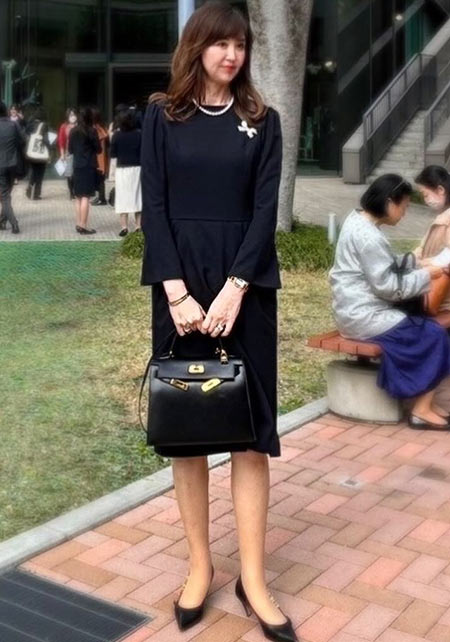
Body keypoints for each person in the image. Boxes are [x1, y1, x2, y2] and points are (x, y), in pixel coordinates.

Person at [140, 3, 297, 641]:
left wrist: (236, 288)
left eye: (240, 44)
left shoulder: (263, 120)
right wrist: (177, 293)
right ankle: (200, 566)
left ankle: (252, 578)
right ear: (197, 47)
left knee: (250, 434)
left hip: (246, 288)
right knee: (188, 428)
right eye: (220, 43)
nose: (231, 55)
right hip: (179, 285)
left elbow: (264, 212)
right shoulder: (162, 116)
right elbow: (154, 207)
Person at [329, 174, 450, 429]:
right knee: (435, 335)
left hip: (352, 311)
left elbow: (381, 264)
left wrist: (415, 262)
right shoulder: (369, 237)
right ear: (389, 202)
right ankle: (421, 410)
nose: (404, 214)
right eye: (404, 207)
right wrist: (428, 274)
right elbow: (390, 288)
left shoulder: (357, 220)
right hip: (364, 316)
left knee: (422, 326)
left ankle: (425, 402)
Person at [414, 165, 450, 312]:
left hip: (442, 298)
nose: (425, 200)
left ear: (440, 190)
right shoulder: (443, 215)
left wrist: (428, 263)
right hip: (436, 293)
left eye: (426, 194)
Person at [68, 106, 101, 234]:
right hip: (88, 166)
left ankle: (78, 223)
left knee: (78, 197)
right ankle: (83, 225)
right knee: (86, 196)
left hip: (77, 165)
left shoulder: (73, 131)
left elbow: (70, 150)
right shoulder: (92, 131)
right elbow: (99, 149)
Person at [110, 109, 142, 236]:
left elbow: (113, 154)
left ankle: (124, 227)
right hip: (137, 169)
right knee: (137, 196)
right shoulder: (139, 134)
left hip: (122, 169)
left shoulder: (117, 135)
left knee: (122, 197)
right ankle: (138, 225)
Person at [0, 101, 26, 233]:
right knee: (7, 194)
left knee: (5, 196)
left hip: (1, 165)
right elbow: (23, 140)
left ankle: (14, 223)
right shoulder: (13, 124)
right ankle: (2, 221)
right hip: (13, 163)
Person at [25, 106, 50, 200]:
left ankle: (29, 189)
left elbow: (26, 134)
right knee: (40, 173)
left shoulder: (31, 124)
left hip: (32, 153)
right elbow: (46, 140)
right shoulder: (44, 125)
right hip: (41, 154)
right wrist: (49, 149)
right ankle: (36, 194)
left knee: (33, 171)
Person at [57, 107, 77, 199]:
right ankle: (71, 192)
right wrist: (62, 154)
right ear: (67, 116)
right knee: (69, 173)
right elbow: (61, 141)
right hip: (69, 152)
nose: (73, 117)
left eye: (74, 114)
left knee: (77, 173)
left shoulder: (79, 125)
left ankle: (77, 191)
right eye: (71, 115)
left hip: (79, 152)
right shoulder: (64, 126)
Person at [91, 106, 109, 206]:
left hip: (99, 157)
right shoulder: (102, 127)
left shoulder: (97, 128)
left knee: (100, 179)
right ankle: (100, 197)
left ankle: (102, 198)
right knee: (100, 179)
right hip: (101, 157)